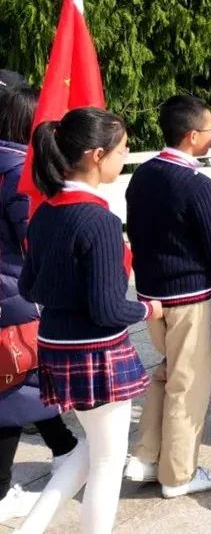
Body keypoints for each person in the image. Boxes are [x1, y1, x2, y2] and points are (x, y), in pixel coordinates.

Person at [15, 108, 163, 534]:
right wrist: (149, 310)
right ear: (98, 155)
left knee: (89, 449)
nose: (126, 155)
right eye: (123, 149)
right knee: (107, 462)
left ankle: (31, 528)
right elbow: (108, 309)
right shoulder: (99, 220)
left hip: (58, 346)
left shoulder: (45, 212)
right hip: (95, 352)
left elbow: (29, 287)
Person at [122, 95, 211, 497]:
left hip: (150, 294)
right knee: (190, 382)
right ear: (191, 136)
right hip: (187, 296)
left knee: (167, 372)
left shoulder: (144, 174)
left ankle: (147, 457)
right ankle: (178, 474)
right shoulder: (196, 184)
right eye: (208, 130)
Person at [0, 85, 78, 524]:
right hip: (15, 294)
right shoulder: (17, 172)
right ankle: (0, 491)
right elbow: (34, 241)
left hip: (7, 293)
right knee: (13, 385)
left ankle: (64, 448)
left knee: (24, 381)